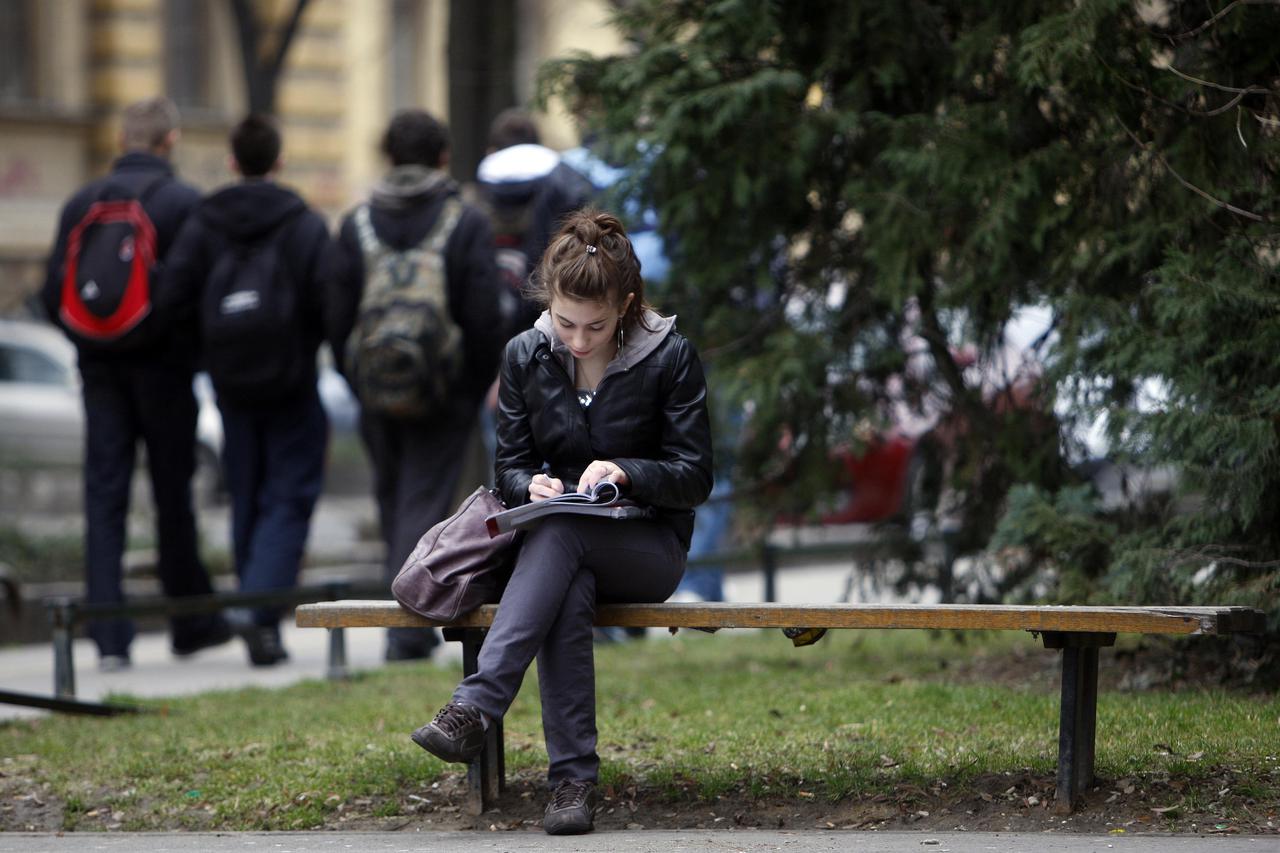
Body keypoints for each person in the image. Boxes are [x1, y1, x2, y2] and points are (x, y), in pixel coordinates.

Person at [409, 210, 713, 835]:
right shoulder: (525, 354)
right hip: (561, 550)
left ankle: (475, 705)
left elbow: (694, 475)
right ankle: (571, 786)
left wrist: (628, 472)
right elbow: (509, 468)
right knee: (565, 573)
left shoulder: (670, 356)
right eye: (564, 321)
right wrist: (532, 485)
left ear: (626, 305)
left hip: (649, 547)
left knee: (559, 536)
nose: (577, 340)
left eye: (595, 326)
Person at [39, 97, 230, 671]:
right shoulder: (183, 202)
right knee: (173, 496)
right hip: (164, 370)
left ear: (123, 140)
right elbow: (196, 291)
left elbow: (52, 292)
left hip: (99, 372)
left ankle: (108, 637)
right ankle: (189, 623)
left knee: (104, 495)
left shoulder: (80, 203)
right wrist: (177, 347)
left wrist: (93, 345)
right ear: (170, 141)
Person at [329, 109, 505, 662]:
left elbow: (336, 313)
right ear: (443, 157)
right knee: (425, 500)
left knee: (391, 496)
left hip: (374, 389)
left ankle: (405, 619)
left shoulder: (356, 223)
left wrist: (357, 378)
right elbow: (483, 313)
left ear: (388, 156)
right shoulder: (464, 222)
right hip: (444, 390)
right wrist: (472, 382)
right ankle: (407, 629)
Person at [163, 114, 332, 666]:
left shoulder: (204, 223)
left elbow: (173, 297)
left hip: (230, 384)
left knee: (247, 497)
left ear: (232, 162)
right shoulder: (302, 223)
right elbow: (330, 299)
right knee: (289, 496)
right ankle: (258, 612)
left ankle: (257, 617)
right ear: (279, 161)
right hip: (292, 382)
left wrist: (205, 356)